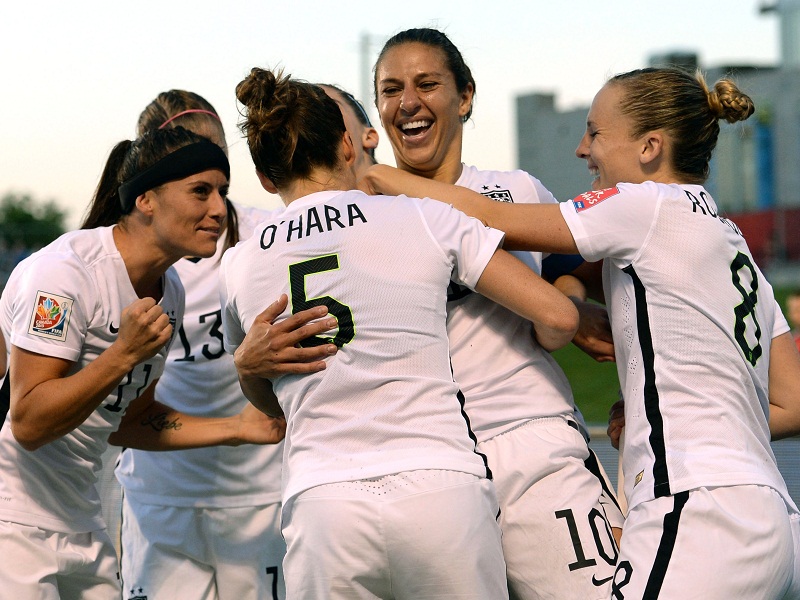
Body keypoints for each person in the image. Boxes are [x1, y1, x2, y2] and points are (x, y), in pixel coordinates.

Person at [364, 66, 800, 598]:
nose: (580, 148)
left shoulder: (644, 205)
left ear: (649, 148)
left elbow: (483, 214)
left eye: (595, 132)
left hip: (699, 511)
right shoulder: (734, 246)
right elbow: (792, 403)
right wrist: (651, 413)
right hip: (773, 515)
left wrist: (376, 177)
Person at [222, 66, 580, 600]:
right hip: (439, 489)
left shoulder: (240, 264)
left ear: (267, 177)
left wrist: (245, 368)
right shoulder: (424, 217)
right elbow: (557, 317)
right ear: (348, 145)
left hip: (325, 505)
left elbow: (268, 399)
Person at [369, 27, 623, 599]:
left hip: (533, 446)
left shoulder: (515, 190)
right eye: (390, 89)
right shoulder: (364, 213)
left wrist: (571, 308)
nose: (407, 102)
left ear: (465, 97)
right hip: (422, 465)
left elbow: (578, 266)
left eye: (427, 83)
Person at [0, 126, 286, 599]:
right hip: (14, 521)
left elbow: (132, 421)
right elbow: (27, 421)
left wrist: (239, 427)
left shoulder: (168, 289)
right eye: (200, 191)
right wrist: (122, 354)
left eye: (223, 192)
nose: (219, 208)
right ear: (146, 199)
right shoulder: (64, 274)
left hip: (82, 518)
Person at [113, 90, 302, 600]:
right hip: (162, 494)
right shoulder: (130, 259)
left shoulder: (269, 234)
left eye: (216, 157)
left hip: (263, 492)